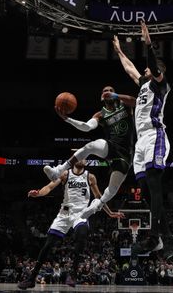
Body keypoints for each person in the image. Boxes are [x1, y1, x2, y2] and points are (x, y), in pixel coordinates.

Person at [113, 21, 173, 259]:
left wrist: (148, 43)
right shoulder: (143, 85)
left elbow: (151, 64)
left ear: (156, 71)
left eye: (147, 69)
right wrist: (120, 52)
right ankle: (168, 238)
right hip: (140, 142)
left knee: (154, 185)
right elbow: (131, 69)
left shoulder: (160, 84)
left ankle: (154, 238)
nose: (143, 71)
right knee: (145, 190)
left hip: (155, 136)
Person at [18, 160, 121, 289]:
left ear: (86, 162)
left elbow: (99, 196)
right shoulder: (65, 174)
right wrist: (38, 193)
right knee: (48, 245)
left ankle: (73, 274)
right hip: (65, 213)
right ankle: (31, 279)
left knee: (82, 234)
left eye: (84, 157)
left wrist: (110, 212)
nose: (82, 159)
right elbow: (49, 187)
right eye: (79, 156)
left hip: (81, 213)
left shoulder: (90, 176)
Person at [43, 85, 136, 219]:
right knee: (91, 145)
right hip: (111, 146)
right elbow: (87, 127)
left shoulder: (125, 106)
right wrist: (67, 119)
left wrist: (116, 96)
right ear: (101, 97)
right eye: (105, 91)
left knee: (112, 189)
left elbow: (134, 100)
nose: (108, 92)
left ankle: (98, 205)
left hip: (126, 154)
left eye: (110, 90)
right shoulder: (100, 114)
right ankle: (58, 171)